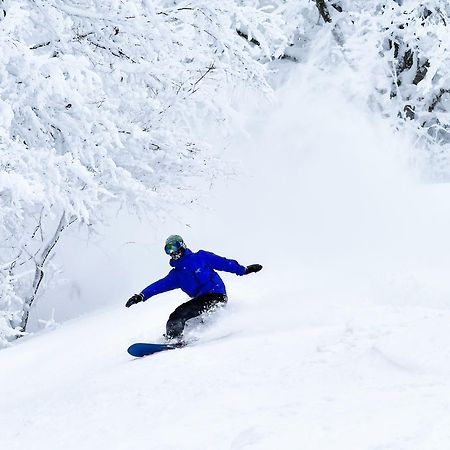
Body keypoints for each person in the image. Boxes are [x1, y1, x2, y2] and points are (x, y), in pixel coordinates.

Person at [126, 235, 262, 342]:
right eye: (168, 249)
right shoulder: (176, 275)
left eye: (174, 247)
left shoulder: (201, 257)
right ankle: (176, 337)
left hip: (216, 296)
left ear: (182, 246)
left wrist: (244, 270)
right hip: (200, 301)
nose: (172, 252)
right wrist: (142, 295)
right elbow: (159, 285)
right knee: (177, 316)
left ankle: (174, 340)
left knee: (180, 313)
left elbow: (225, 263)